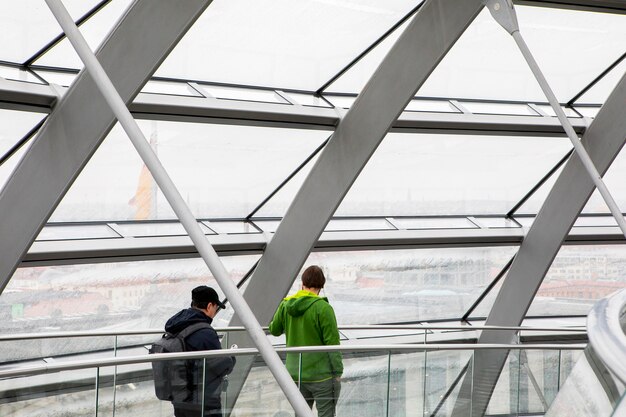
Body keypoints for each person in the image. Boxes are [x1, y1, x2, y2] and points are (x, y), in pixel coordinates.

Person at [269, 265, 343, 417]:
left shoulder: (286, 304)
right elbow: (332, 344)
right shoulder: (323, 308)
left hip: (295, 374)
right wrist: (338, 372)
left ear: (302, 283)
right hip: (322, 375)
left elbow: (274, 330)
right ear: (321, 286)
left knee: (301, 414)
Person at [164, 285, 235, 417]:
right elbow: (220, 366)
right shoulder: (206, 332)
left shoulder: (177, 327)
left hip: (180, 398)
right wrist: (231, 358)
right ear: (209, 306)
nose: (215, 312)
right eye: (215, 307)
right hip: (204, 402)